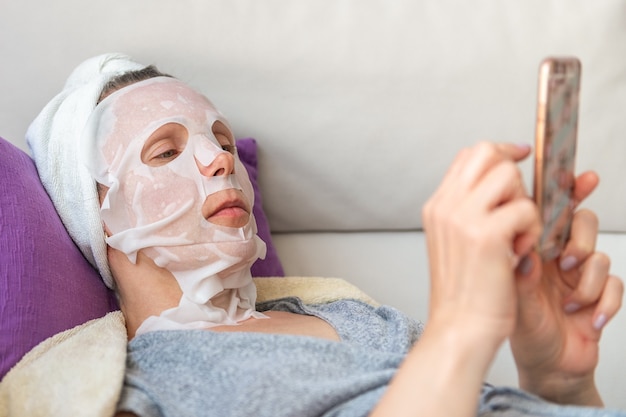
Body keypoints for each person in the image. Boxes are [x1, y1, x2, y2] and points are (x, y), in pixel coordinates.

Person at [26, 53, 624, 417]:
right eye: (166, 150)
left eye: (224, 141)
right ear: (95, 213)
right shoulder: (141, 386)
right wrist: (460, 330)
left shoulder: (355, 316)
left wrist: (558, 380)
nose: (219, 162)